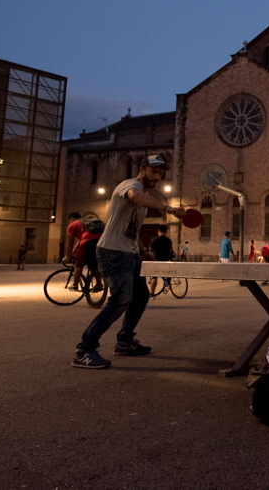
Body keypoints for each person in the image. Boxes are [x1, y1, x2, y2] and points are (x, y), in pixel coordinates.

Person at [72, 154, 185, 370]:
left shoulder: (145, 195)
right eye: (154, 172)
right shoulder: (130, 185)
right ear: (142, 168)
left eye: (161, 174)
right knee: (121, 299)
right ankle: (84, 350)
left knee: (141, 296)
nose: (157, 177)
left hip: (130, 253)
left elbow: (131, 231)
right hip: (112, 252)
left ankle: (124, 341)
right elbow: (135, 196)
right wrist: (167, 208)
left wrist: (143, 251)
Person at [63, 212, 103, 290]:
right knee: (94, 264)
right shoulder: (86, 224)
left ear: (71, 219)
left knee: (78, 263)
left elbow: (70, 242)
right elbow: (79, 242)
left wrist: (67, 257)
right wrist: (72, 253)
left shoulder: (73, 224)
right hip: (100, 242)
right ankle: (99, 284)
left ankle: (75, 285)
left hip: (88, 242)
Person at [147, 225, 173, 296]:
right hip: (165, 259)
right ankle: (168, 283)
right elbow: (171, 249)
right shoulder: (169, 240)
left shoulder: (154, 239)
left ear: (158, 231)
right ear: (166, 231)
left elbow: (150, 248)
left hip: (156, 259)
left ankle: (152, 293)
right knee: (167, 273)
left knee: (154, 276)